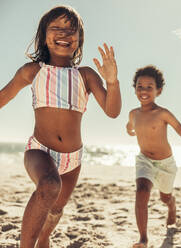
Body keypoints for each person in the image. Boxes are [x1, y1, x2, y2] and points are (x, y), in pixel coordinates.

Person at [0, 5, 121, 248]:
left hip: (73, 159)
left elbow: (112, 111)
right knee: (49, 185)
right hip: (40, 150)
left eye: (71, 30)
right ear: (44, 36)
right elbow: (3, 97)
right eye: (56, 28)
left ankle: (44, 238)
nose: (64, 34)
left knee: (56, 207)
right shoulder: (32, 71)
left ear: (79, 39)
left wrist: (112, 81)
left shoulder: (85, 75)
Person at [126, 65, 181, 248]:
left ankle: (172, 205)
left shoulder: (162, 113)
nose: (143, 91)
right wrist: (130, 130)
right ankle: (143, 239)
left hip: (165, 164)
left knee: (164, 197)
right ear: (135, 89)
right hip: (144, 160)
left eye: (149, 87)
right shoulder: (133, 114)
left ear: (158, 91)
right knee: (142, 190)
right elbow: (129, 125)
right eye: (139, 86)